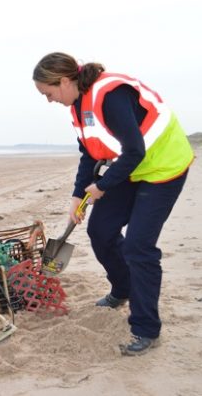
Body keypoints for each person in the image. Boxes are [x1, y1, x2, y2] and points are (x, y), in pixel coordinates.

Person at [33, 52, 194, 356]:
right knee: (101, 231)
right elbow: (90, 155)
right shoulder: (78, 107)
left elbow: (135, 150)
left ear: (64, 81)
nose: (49, 100)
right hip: (131, 169)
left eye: (49, 93)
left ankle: (147, 329)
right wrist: (78, 195)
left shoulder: (111, 95)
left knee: (138, 247)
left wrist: (102, 186)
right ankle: (122, 289)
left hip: (163, 168)